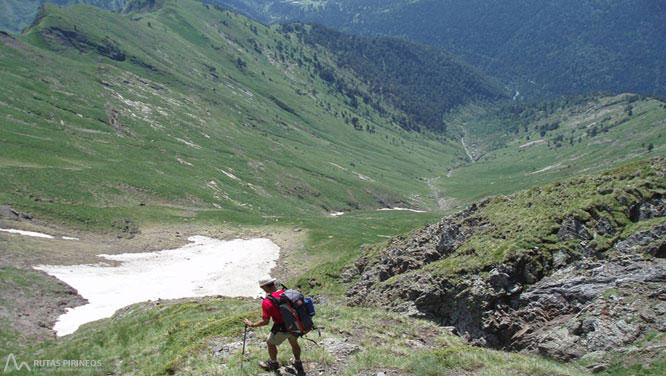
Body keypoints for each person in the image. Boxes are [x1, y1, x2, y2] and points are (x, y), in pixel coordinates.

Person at [244, 277, 304, 372]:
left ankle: (273, 363)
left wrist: (252, 324)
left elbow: (265, 321)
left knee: (270, 342)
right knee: (294, 342)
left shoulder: (267, 301)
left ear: (264, 287)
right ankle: (298, 362)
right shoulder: (287, 292)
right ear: (273, 283)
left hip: (282, 328)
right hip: (296, 324)